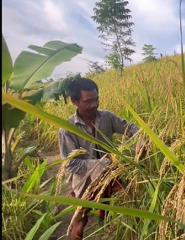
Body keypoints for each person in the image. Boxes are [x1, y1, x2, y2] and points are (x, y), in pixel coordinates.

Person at [58, 76, 138, 240]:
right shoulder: (67, 129)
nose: (93, 104)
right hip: (85, 182)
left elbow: (129, 128)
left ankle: (109, 231)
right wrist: (104, 163)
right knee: (78, 222)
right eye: (88, 101)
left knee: (128, 202)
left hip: (111, 175)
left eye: (96, 99)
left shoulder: (107, 117)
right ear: (75, 101)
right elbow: (70, 165)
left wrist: (142, 138)